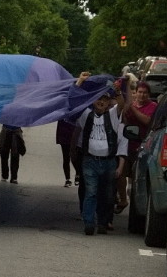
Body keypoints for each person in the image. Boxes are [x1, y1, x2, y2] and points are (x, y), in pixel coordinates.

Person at [71, 86, 128, 236]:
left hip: (108, 162)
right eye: (98, 99)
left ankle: (103, 222)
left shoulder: (113, 115)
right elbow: (75, 101)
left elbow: (121, 104)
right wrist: (79, 83)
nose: (101, 102)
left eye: (105, 99)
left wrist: (118, 91)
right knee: (91, 192)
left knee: (107, 194)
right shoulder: (86, 115)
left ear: (109, 102)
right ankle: (89, 222)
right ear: (93, 101)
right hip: (90, 161)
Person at [115, 80, 156, 214]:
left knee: (137, 176)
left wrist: (133, 108)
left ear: (148, 94)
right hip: (127, 145)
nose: (142, 95)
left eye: (145, 93)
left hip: (143, 146)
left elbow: (147, 120)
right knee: (120, 174)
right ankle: (123, 199)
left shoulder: (152, 106)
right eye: (140, 92)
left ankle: (135, 202)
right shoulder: (130, 105)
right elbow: (121, 117)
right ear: (135, 93)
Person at [56, 119, 79, 187]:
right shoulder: (62, 114)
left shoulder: (74, 114)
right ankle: (68, 179)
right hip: (64, 137)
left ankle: (77, 175)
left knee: (74, 157)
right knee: (66, 158)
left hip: (73, 137)